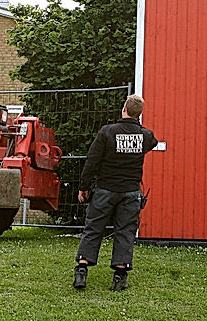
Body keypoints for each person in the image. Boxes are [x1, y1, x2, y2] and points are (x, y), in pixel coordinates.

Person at [73, 94, 158, 292]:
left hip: (105, 190)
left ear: (124, 109)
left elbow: (92, 160)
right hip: (130, 192)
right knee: (125, 231)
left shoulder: (107, 132)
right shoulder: (145, 136)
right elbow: (152, 142)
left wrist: (84, 186)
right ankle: (120, 276)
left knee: (93, 228)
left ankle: (82, 270)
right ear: (139, 113)